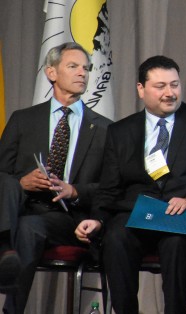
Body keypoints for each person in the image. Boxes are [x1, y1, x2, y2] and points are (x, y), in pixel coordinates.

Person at [75, 55, 186, 314]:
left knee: (176, 243)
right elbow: (109, 188)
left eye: (175, 85)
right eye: (160, 86)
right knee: (115, 238)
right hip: (137, 215)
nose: (170, 93)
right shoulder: (121, 131)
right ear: (141, 89)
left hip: (184, 216)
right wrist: (98, 219)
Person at [0, 42, 112, 313]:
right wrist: (22, 183)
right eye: (73, 67)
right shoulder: (23, 119)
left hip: (67, 218)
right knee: (7, 185)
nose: (82, 74)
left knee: (28, 227)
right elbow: (2, 172)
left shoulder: (106, 129)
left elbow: (111, 189)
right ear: (51, 72)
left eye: (86, 68)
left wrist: (74, 190)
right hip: (19, 207)